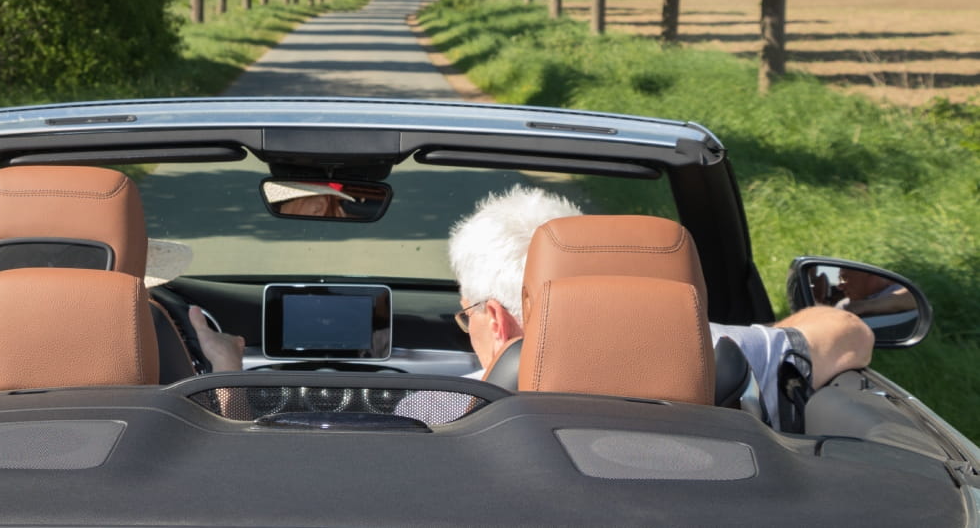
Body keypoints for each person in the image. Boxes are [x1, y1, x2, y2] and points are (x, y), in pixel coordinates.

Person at [190, 186, 875, 425]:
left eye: (464, 315)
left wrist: (230, 386)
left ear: (497, 319)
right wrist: (728, 337)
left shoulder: (433, 408)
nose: (467, 330)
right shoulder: (717, 360)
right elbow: (846, 331)